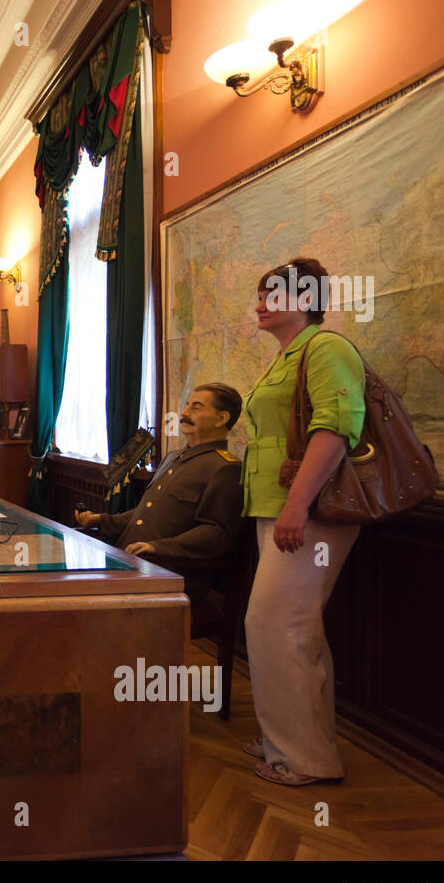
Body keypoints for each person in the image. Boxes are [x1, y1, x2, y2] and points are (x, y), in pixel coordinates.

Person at [239, 257, 366, 787]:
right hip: (278, 506)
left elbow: (335, 428)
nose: (261, 304)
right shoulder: (287, 357)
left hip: (308, 511)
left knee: (279, 626)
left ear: (305, 299)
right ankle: (284, 743)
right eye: (261, 295)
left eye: (273, 295)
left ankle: (307, 759)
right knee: (287, 629)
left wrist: (297, 504)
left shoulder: (325, 347)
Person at [75, 383, 244, 598]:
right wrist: (101, 520)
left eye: (197, 407)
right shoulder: (173, 457)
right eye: (187, 405)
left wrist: (158, 548)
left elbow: (217, 533)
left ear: (222, 418)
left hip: (167, 572)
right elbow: (146, 514)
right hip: (130, 563)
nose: (184, 413)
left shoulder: (225, 468)